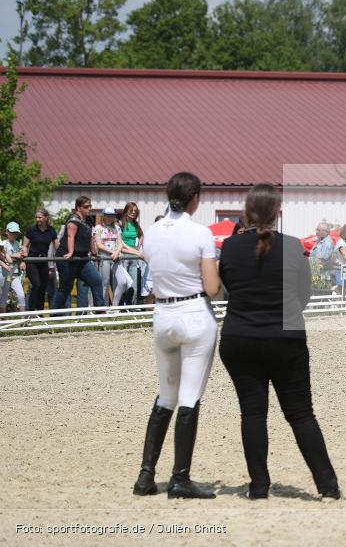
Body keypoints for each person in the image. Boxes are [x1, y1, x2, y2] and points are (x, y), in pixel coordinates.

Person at [218, 184, 340, 500]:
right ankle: (327, 487)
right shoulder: (293, 246)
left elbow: (228, 287)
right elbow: (305, 294)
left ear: (247, 211)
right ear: (276, 213)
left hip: (239, 338)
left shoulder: (230, 247)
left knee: (253, 413)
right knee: (301, 414)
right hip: (285, 339)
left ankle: (259, 487)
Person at [133, 172, 220, 499]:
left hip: (163, 317)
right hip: (194, 315)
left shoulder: (152, 232)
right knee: (189, 397)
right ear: (194, 197)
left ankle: (145, 476)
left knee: (165, 397)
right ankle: (179, 478)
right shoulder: (200, 233)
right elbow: (211, 288)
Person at [52, 197, 106, 313]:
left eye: (90, 206)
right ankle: (55, 315)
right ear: (78, 208)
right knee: (65, 287)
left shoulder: (88, 221)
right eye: (86, 207)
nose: (89, 209)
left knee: (96, 280)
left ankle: (100, 311)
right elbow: (70, 236)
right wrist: (71, 252)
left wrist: (94, 252)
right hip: (66, 257)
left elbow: (90, 238)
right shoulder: (73, 220)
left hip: (82, 258)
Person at [94, 207, 133, 309]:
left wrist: (117, 252)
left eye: (112, 215)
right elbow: (99, 245)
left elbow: (120, 243)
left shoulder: (117, 228)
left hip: (115, 257)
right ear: (104, 216)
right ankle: (103, 309)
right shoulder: (98, 228)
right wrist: (113, 252)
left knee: (123, 282)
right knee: (104, 284)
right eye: (108, 215)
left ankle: (114, 308)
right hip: (104, 257)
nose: (111, 217)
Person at [22, 208, 58, 311]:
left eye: (40, 217)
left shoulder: (51, 230)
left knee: (43, 288)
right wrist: (24, 252)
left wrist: (66, 254)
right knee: (36, 285)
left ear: (46, 218)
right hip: (32, 260)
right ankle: (31, 311)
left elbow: (57, 246)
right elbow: (25, 245)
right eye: (36, 217)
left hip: (44, 261)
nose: (37, 219)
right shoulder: (31, 229)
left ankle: (40, 313)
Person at [118, 202, 144, 305]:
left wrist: (138, 248)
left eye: (135, 211)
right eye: (131, 210)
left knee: (134, 283)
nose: (133, 213)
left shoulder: (136, 224)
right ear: (126, 210)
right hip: (123, 255)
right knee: (124, 283)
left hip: (133, 256)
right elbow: (119, 241)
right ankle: (121, 307)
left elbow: (142, 235)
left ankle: (131, 306)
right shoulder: (121, 223)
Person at [0, 222, 26, 313]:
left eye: (16, 233)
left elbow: (21, 256)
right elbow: (3, 256)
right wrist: (17, 256)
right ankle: (2, 322)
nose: (14, 235)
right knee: (3, 297)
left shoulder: (18, 243)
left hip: (15, 274)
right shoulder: (3, 243)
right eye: (12, 232)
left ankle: (23, 321)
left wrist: (22, 260)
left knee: (21, 295)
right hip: (4, 273)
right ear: (7, 232)